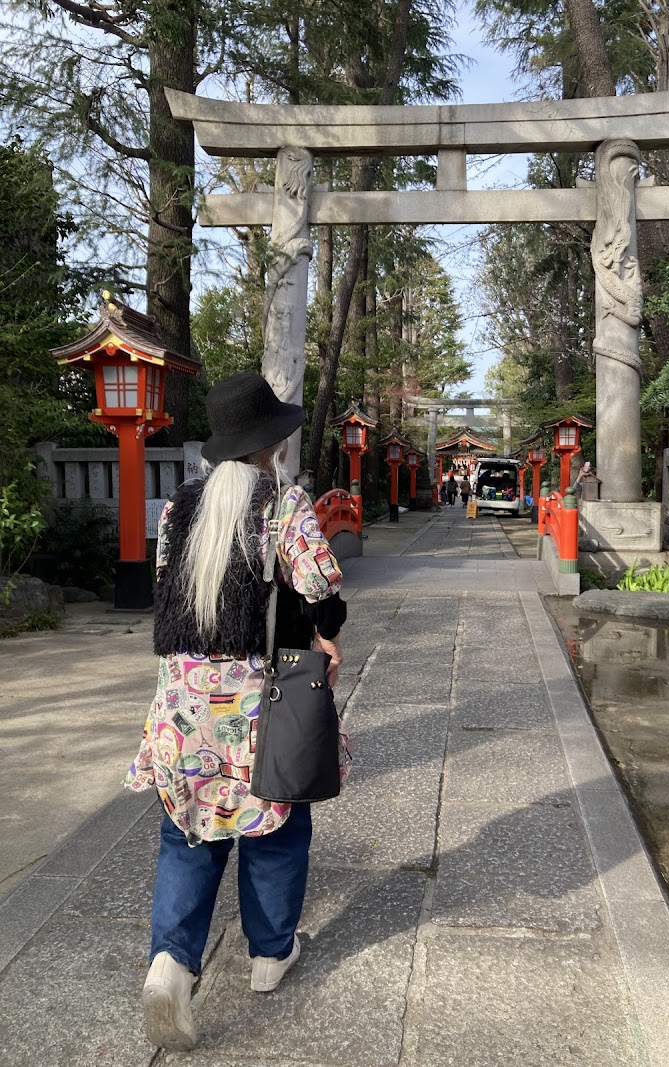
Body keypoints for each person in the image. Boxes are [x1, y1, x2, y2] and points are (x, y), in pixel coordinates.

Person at [125, 372, 349, 1052]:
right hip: (257, 706)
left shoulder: (178, 509)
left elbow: (171, 594)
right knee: (275, 828)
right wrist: (322, 630)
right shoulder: (283, 504)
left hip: (183, 704)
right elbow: (322, 589)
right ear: (271, 442)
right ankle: (269, 956)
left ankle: (171, 962)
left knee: (188, 835)